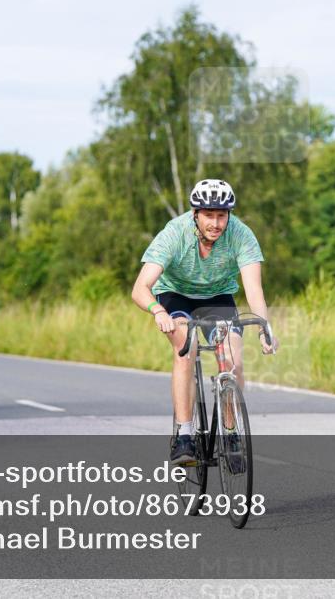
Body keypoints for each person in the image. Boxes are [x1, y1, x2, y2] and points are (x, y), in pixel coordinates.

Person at [131, 179, 278, 465]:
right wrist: (158, 312)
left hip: (217, 296)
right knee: (187, 349)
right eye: (208, 215)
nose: (215, 223)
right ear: (195, 214)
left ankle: (231, 433)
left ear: (229, 215)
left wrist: (264, 327)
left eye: (221, 215)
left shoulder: (241, 235)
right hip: (175, 295)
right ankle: (184, 435)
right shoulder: (175, 233)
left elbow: (254, 289)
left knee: (233, 359)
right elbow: (140, 288)